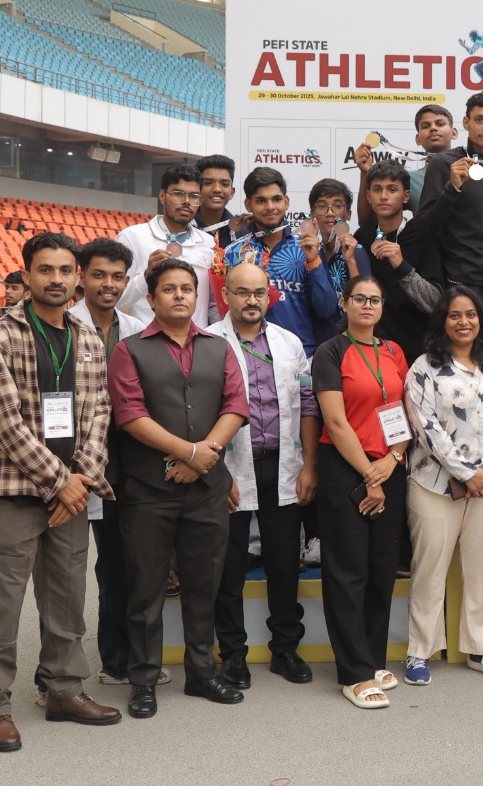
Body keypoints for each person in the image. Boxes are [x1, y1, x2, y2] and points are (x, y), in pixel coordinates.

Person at [0, 233, 122, 751]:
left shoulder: (87, 337)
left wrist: (82, 477)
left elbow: (100, 413)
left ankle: (64, 690)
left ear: (77, 276)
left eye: (64, 270)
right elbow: (3, 422)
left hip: (72, 493)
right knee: (0, 606)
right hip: (15, 489)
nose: (56, 279)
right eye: (45, 270)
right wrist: (62, 482)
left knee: (66, 600)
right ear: (27, 274)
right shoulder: (0, 335)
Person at [109, 258, 249, 718]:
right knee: (145, 589)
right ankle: (143, 680)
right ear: (151, 299)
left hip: (206, 489)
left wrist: (204, 454)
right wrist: (189, 452)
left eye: (187, 288)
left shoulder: (219, 347)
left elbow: (235, 405)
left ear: (197, 294)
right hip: (148, 491)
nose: (179, 296)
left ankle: (202, 673)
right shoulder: (129, 350)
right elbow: (130, 415)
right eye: (169, 289)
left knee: (203, 584)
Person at [209, 263, 318, 689]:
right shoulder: (209, 342)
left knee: (284, 563)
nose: (251, 300)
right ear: (226, 296)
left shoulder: (290, 343)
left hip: (281, 465)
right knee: (229, 565)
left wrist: (309, 465)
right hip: (230, 467)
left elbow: (307, 405)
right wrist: (218, 475)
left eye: (259, 292)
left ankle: (285, 649)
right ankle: (233, 654)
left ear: (269, 295)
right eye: (242, 292)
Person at [403, 286, 483, 684]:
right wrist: (466, 473)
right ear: (442, 321)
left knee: (482, 570)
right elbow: (424, 427)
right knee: (429, 570)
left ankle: (481, 649)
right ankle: (420, 652)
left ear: (480, 320)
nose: (464, 322)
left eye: (470, 314)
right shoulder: (423, 368)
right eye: (455, 315)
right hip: (434, 484)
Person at [312, 275, 411, 709]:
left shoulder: (394, 351)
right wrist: (370, 475)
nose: (367, 305)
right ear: (345, 303)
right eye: (359, 298)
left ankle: (373, 658)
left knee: (381, 567)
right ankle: (353, 673)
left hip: (390, 465)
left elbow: (403, 412)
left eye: (375, 299)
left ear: (383, 306)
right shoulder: (330, 351)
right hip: (346, 467)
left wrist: (392, 459)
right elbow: (335, 422)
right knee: (347, 570)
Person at [68, 238, 153, 689]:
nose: (108, 285)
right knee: (63, 573)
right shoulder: (63, 325)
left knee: (119, 567)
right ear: (81, 277)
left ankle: (117, 661)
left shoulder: (138, 329)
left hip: (124, 466)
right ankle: (54, 677)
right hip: (69, 465)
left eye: (118, 277)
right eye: (99, 275)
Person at [410, 91, 483, 362]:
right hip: (465, 284)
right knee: (466, 367)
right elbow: (423, 228)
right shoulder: (444, 164)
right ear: (466, 123)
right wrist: (452, 188)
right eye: (480, 120)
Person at [210, 167, 339, 354]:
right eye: (261, 201)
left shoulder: (306, 248)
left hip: (300, 355)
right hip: (248, 354)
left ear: (286, 202)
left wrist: (314, 262)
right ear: (248, 205)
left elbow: (327, 310)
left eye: (276, 199)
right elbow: (224, 311)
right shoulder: (233, 253)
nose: (270, 207)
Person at [351, 160, 442, 363]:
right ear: (368, 196)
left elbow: (435, 303)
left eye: (392, 189)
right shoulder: (362, 237)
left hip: (419, 354)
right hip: (373, 351)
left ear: (405, 196)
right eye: (377, 189)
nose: (384, 196)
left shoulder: (423, 235)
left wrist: (402, 266)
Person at [116, 164, 218, 328]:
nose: (186, 202)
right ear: (162, 196)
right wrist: (146, 275)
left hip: (196, 341)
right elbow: (117, 300)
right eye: (178, 194)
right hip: (146, 339)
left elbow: (213, 305)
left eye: (194, 196)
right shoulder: (132, 237)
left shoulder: (209, 244)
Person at [352, 103, 458, 231]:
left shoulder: (472, 171)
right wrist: (365, 173)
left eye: (440, 124)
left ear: (454, 133)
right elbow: (367, 221)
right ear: (418, 139)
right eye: (426, 126)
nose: (433, 128)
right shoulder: (410, 179)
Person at [308, 177, 370, 348]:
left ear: (348, 213)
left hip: (349, 345)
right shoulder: (309, 253)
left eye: (337, 206)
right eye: (322, 206)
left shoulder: (357, 252)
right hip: (315, 345)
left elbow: (365, 300)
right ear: (313, 214)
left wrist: (351, 261)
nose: (330, 213)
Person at [194, 154, 245, 247]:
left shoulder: (243, 233)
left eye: (224, 184)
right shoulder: (183, 227)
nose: (217, 189)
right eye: (208, 183)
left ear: (232, 192)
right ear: (196, 189)